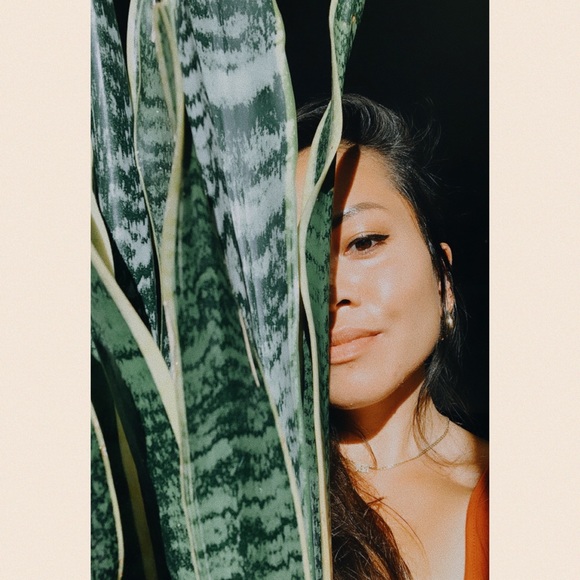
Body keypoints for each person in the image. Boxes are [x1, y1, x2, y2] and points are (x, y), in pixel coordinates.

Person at [295, 95, 488, 580]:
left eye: (363, 242)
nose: (332, 291)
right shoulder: (254, 502)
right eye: (295, 263)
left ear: (443, 279)